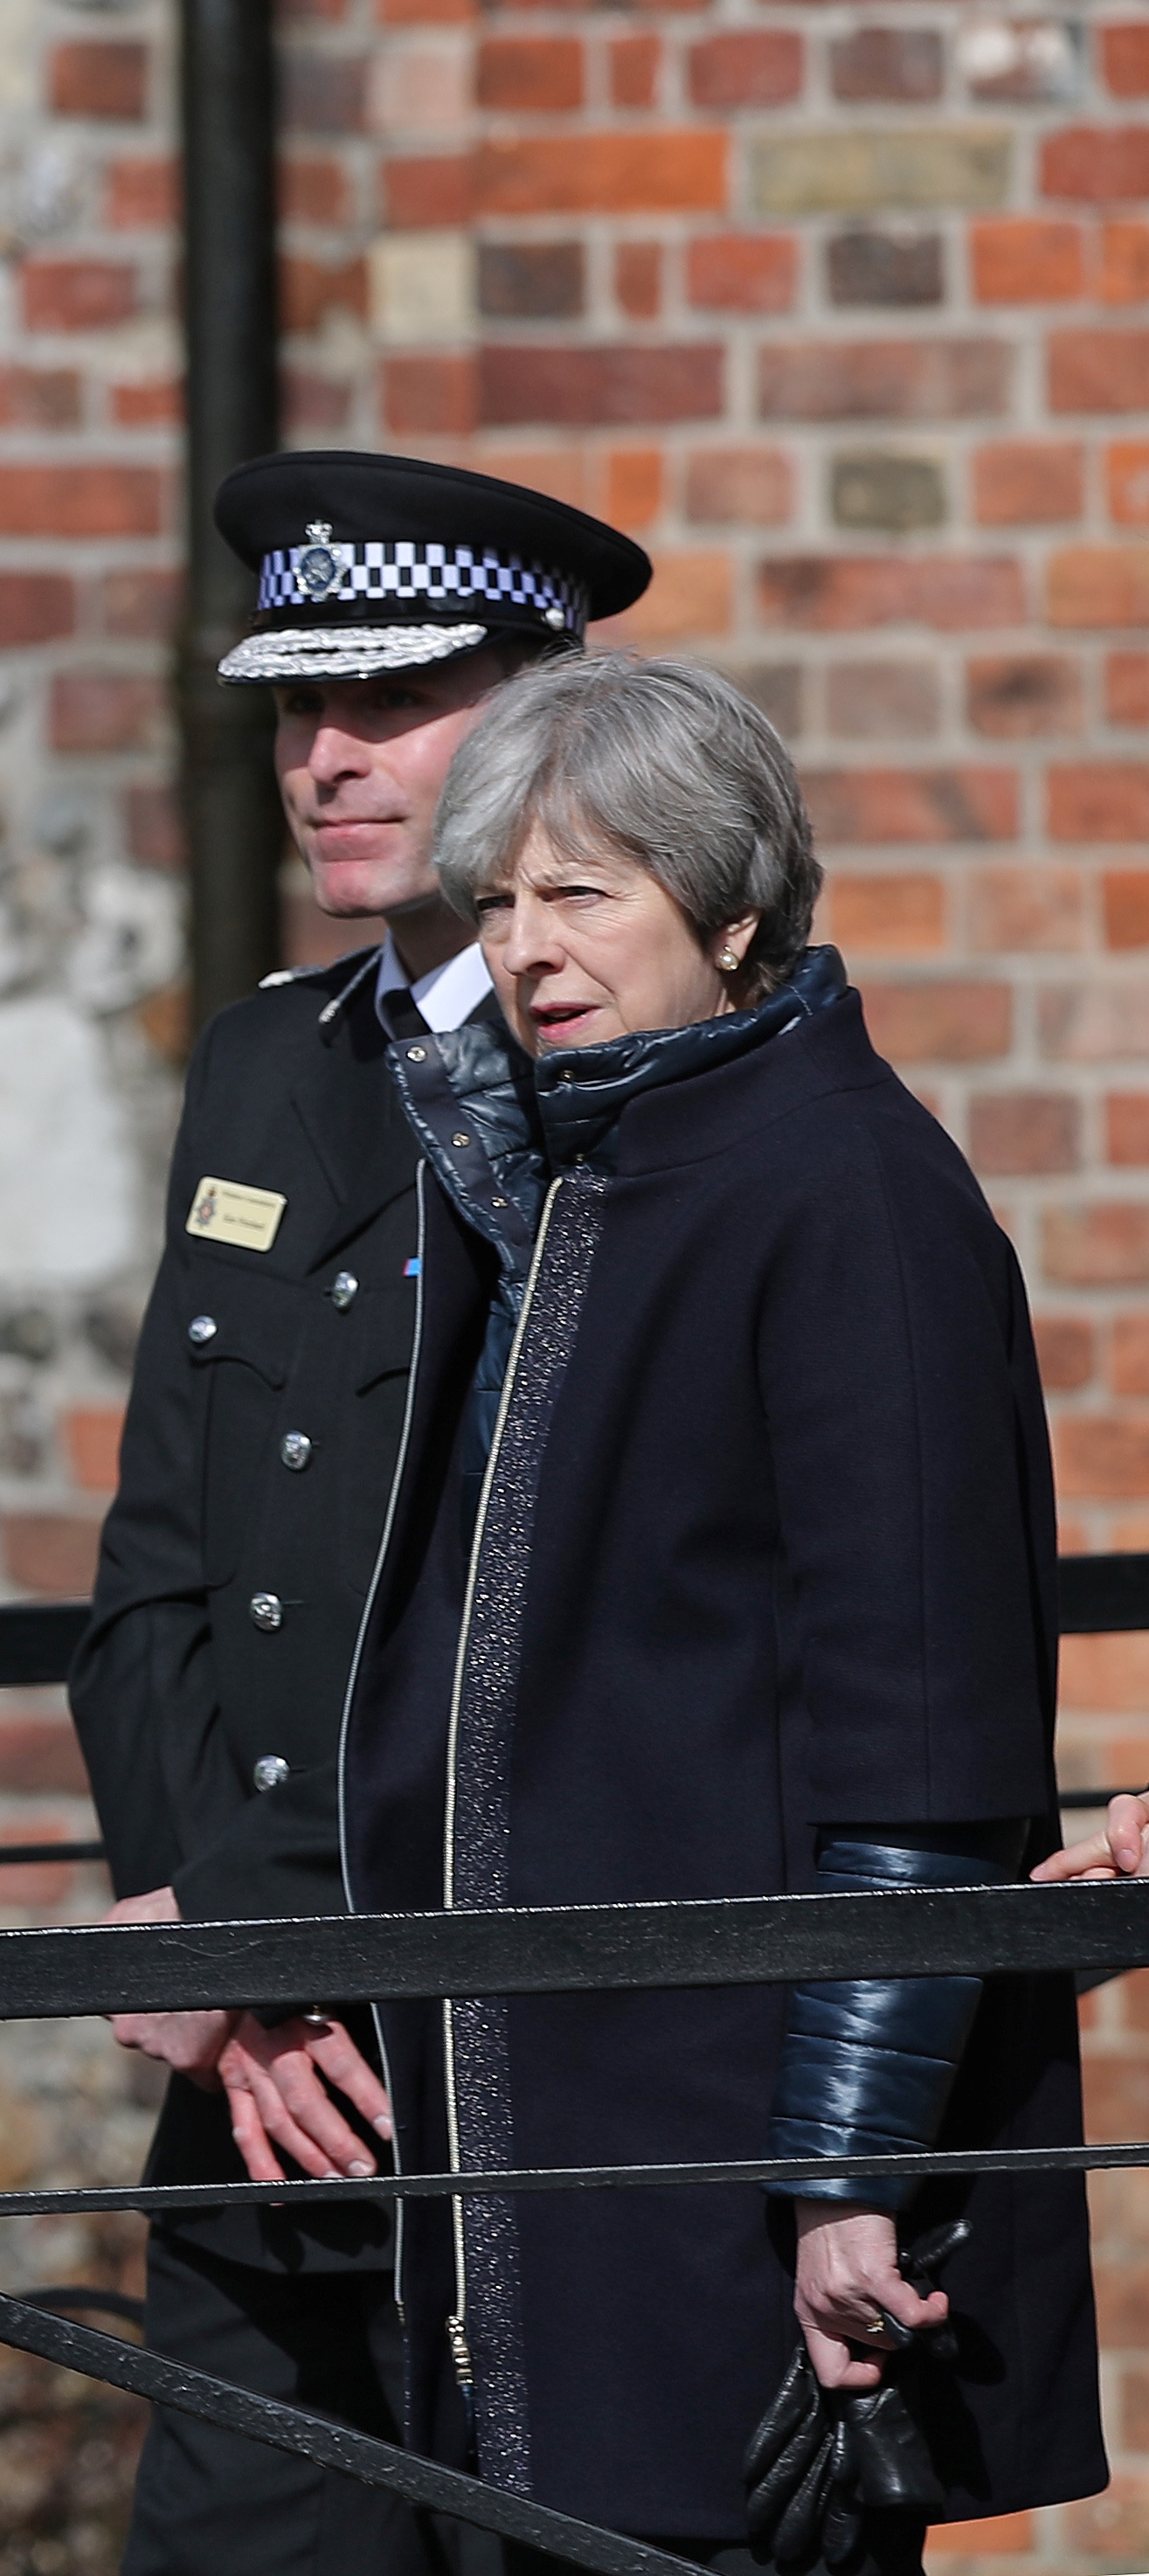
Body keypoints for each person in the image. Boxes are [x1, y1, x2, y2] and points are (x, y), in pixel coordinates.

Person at [343, 654, 1100, 2569]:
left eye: (582, 892)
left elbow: (927, 1758)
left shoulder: (848, 1193)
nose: (526, 949)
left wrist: (844, 2179)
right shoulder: (589, 1171)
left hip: (731, 2187)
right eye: (496, 900)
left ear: (733, 909)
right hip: (546, 2148)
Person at [71, 453, 647, 2576]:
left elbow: (570, 1610)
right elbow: (161, 1566)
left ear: (544, 717)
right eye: (298, 708)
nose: (325, 756)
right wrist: (227, 1948)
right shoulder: (267, 1062)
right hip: (263, 2071)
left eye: (390, 703)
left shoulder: (622, 1077)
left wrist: (316, 1953)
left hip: (517, 2058)